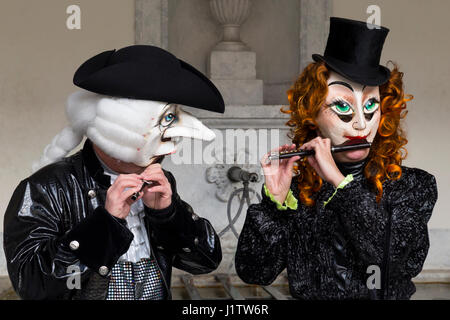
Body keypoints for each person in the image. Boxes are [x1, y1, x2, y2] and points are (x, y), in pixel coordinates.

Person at [235, 17, 438, 299]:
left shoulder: (413, 186)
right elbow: (255, 272)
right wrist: (273, 205)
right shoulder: (297, 190)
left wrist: (341, 184)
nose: (360, 124)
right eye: (342, 106)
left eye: (370, 107)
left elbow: (393, 263)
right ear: (312, 113)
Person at [3, 45, 224, 300]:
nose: (168, 154)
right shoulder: (46, 188)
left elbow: (205, 262)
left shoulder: (159, 181)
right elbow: (31, 286)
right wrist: (105, 225)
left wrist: (168, 215)